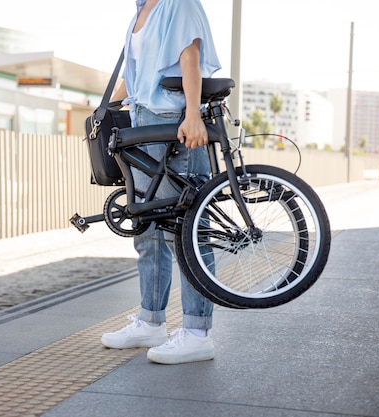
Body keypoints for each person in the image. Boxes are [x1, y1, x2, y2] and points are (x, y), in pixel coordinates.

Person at [100, 0, 222, 365]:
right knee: (148, 227)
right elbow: (137, 73)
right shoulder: (140, 11)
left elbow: (191, 59)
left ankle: (198, 332)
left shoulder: (179, 3)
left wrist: (192, 115)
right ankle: (151, 320)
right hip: (141, 121)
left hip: (172, 123)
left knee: (185, 229)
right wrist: (105, 106)